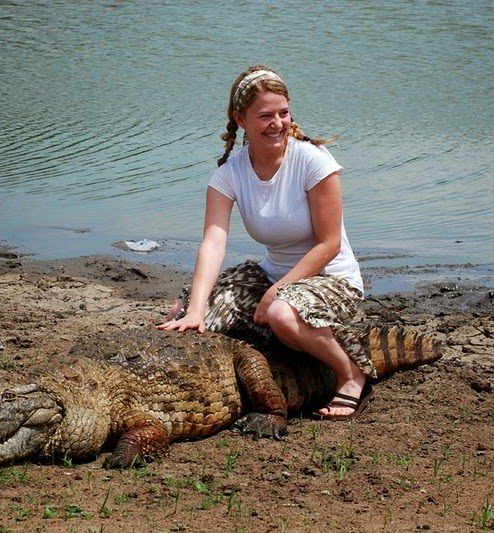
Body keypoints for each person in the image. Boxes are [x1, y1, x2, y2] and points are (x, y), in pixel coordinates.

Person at [157, 65, 376, 420]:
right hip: (273, 274)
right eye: (265, 116)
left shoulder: (313, 161)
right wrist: (196, 310)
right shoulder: (229, 173)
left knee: (280, 314)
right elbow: (213, 243)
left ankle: (351, 374)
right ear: (240, 119)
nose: (278, 124)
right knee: (181, 314)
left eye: (283, 113)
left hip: (331, 277)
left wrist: (276, 292)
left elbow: (329, 245)